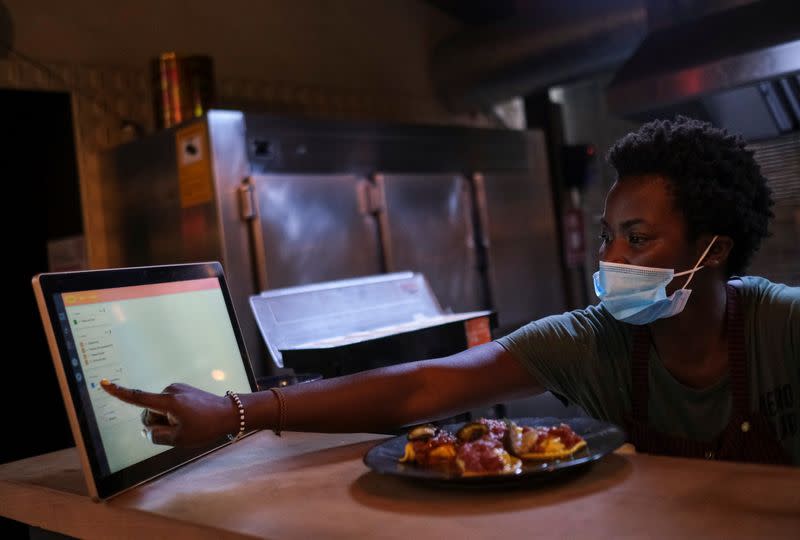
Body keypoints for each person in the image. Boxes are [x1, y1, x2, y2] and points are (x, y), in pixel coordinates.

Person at [102, 116, 799, 465]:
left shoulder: (782, 327)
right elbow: (423, 388)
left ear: (716, 250)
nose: (611, 255)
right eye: (607, 233)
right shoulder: (595, 341)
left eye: (637, 238)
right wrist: (237, 413)